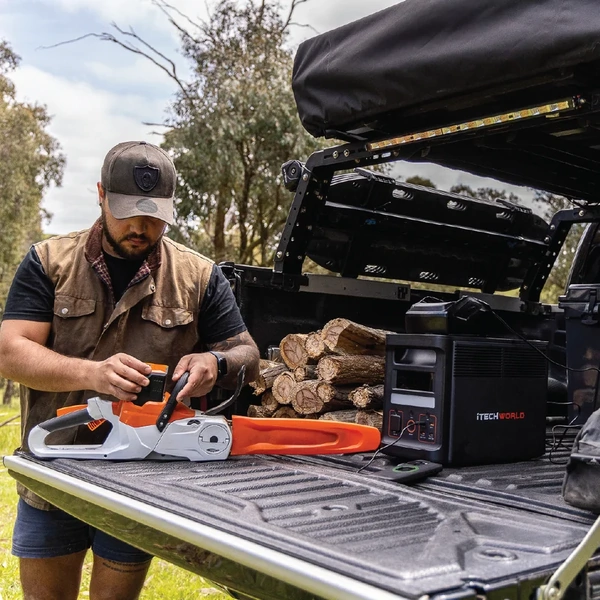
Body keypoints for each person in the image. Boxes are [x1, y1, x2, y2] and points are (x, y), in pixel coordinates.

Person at [0, 140, 260, 600]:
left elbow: (248, 354)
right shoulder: (49, 262)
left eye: (154, 215)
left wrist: (214, 362)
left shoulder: (198, 276)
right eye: (128, 213)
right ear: (101, 194)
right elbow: (9, 352)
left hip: (141, 481)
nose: (141, 227)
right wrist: (92, 375)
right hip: (54, 470)